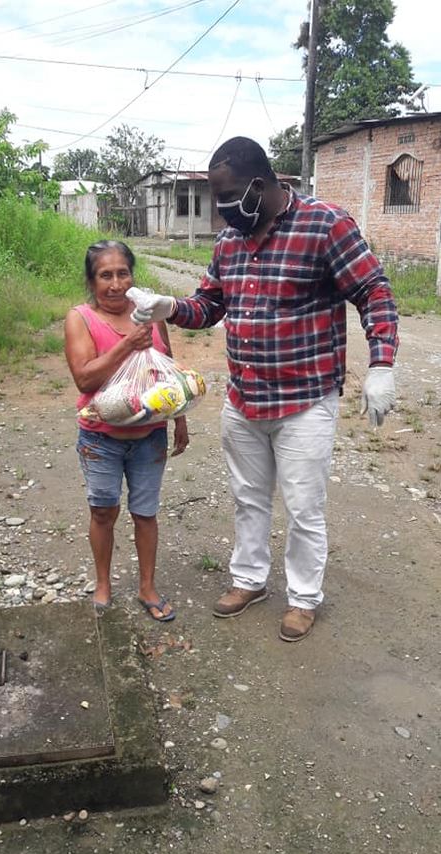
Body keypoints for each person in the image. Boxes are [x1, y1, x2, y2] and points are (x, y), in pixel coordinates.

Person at [127, 136, 398, 642]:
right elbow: (210, 305)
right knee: (248, 498)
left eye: (228, 196)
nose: (223, 209)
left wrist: (382, 363)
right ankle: (249, 580)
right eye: (217, 199)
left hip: (304, 400)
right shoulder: (230, 240)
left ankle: (303, 598)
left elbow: (373, 290)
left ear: (259, 184)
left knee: (303, 507)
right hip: (244, 397)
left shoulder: (325, 225)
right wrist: (171, 307)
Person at [64, 239, 189, 621]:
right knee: (103, 511)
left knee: (145, 513)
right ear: (92, 281)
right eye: (106, 275)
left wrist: (180, 418)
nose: (116, 284)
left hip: (150, 436)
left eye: (123, 273)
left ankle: (147, 587)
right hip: (100, 438)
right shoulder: (80, 319)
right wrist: (127, 346)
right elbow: (85, 379)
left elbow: (167, 369)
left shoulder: (149, 313)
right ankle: (103, 583)